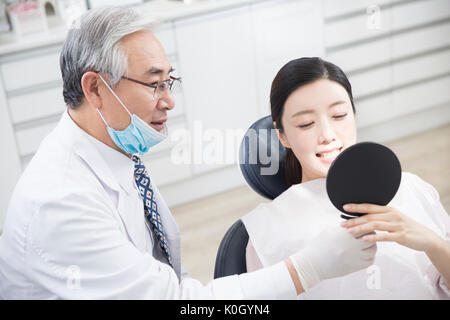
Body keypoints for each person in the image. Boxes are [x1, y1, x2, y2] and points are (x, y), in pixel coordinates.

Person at [0, 8, 376, 299]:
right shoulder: (61, 202)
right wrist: (307, 268)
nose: (169, 101)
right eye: (153, 84)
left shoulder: (109, 149)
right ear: (96, 88)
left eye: (169, 80)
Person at [242, 57, 450, 299]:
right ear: (283, 136)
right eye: (306, 123)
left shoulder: (415, 190)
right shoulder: (266, 232)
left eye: (339, 115)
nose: (328, 135)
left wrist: (433, 243)